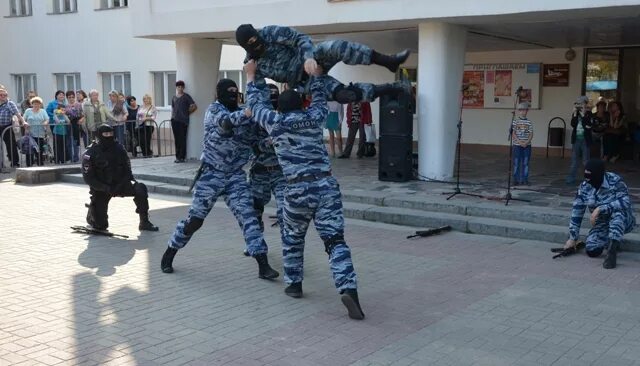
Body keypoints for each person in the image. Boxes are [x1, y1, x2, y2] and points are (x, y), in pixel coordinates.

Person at [245, 60, 364, 320]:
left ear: (280, 108)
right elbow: (321, 99)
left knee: (293, 237)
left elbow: (255, 105)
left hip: (296, 190)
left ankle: (294, 284)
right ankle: (349, 289)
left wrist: (252, 76)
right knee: (335, 241)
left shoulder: (275, 123)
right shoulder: (313, 118)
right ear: (302, 105)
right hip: (325, 186)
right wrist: (317, 76)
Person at [161, 78, 279, 281]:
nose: (233, 94)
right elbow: (226, 122)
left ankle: (263, 264)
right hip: (211, 174)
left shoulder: (243, 114)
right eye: (229, 91)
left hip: (235, 176)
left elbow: (256, 143)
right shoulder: (214, 110)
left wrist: (275, 137)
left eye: (236, 91)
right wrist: (248, 112)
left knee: (249, 217)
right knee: (195, 220)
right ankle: (170, 251)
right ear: (220, 93)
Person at [235, 24, 409, 104]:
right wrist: (250, 80)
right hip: (304, 81)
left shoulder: (270, 33)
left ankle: (388, 61)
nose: (257, 43)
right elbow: (258, 94)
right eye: (251, 43)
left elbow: (299, 38)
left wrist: (308, 57)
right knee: (344, 96)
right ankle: (390, 89)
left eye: (256, 38)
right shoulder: (252, 64)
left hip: (310, 59)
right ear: (246, 47)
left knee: (336, 47)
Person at [82, 124, 159, 232]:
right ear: (100, 135)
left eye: (111, 134)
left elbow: (128, 170)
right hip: (102, 188)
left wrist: (121, 184)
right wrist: (105, 188)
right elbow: (89, 178)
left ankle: (144, 222)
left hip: (120, 184)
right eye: (106, 134)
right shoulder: (91, 153)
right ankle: (93, 215)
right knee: (100, 226)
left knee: (140, 189)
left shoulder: (119, 149)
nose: (109, 136)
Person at [564, 159, 636, 269]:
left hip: (624, 219)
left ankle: (612, 252)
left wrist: (600, 209)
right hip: (603, 222)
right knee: (592, 250)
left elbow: (625, 201)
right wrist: (573, 238)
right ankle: (612, 241)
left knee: (617, 216)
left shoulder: (615, 181)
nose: (590, 183)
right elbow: (577, 211)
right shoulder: (585, 186)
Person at [248, 83, 286, 241]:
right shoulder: (257, 119)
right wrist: (268, 142)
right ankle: (256, 243)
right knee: (255, 209)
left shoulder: (284, 117)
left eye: (275, 94)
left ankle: (289, 243)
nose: (273, 97)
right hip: (260, 171)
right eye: (270, 94)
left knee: (286, 208)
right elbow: (252, 145)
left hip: (280, 172)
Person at [566, 96, 592, 185]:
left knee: (586, 161)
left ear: (585, 104)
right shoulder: (576, 114)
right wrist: (574, 114)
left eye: (582, 104)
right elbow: (573, 124)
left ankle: (588, 179)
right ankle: (571, 177)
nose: (580, 106)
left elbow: (588, 126)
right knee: (574, 160)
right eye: (578, 104)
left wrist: (584, 115)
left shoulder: (589, 114)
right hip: (576, 139)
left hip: (585, 140)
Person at [170, 80, 197, 163]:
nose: (180, 88)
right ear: (176, 87)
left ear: (183, 87)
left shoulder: (186, 96)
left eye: (181, 87)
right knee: (177, 139)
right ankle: (177, 156)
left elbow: (194, 106)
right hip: (174, 120)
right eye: (178, 87)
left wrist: (187, 112)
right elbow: (173, 108)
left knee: (182, 139)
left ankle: (182, 157)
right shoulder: (174, 97)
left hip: (183, 121)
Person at [0, 86, 27, 167]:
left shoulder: (10, 103)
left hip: (6, 126)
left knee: (10, 145)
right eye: (1, 95)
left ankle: (15, 162)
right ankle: (1, 164)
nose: (3, 97)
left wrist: (23, 122)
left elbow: (17, 114)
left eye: (4, 95)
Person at [22, 96, 49, 166]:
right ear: (32, 104)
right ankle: (29, 166)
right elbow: (23, 119)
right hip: (30, 134)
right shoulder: (28, 111)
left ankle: (40, 165)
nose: (36, 105)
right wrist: (25, 123)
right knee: (30, 151)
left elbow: (47, 119)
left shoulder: (43, 111)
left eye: (38, 103)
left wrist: (45, 122)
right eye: (35, 103)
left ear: (40, 104)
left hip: (40, 134)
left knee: (39, 151)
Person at [511, 102, 533, 185]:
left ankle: (525, 179)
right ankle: (515, 179)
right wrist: (519, 142)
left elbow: (531, 133)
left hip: (527, 146)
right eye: (522, 110)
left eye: (525, 110)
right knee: (516, 163)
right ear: (519, 111)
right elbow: (513, 133)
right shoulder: (516, 121)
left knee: (526, 163)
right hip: (517, 145)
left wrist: (527, 142)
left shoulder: (529, 122)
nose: (524, 112)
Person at [65, 91, 84, 163]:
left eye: (72, 97)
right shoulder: (65, 106)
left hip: (76, 125)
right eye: (69, 97)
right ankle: (71, 157)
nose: (71, 99)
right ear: (67, 98)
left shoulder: (79, 105)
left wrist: (81, 119)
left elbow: (83, 115)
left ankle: (76, 157)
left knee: (76, 142)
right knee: (69, 142)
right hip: (68, 125)